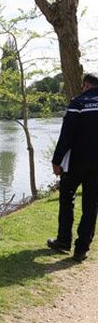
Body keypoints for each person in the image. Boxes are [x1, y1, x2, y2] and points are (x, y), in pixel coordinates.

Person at [47, 73, 98, 262]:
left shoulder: (78, 103)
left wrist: (56, 160)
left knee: (66, 199)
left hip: (76, 162)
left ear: (85, 85)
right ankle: (82, 248)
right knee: (91, 206)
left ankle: (63, 240)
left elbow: (66, 134)